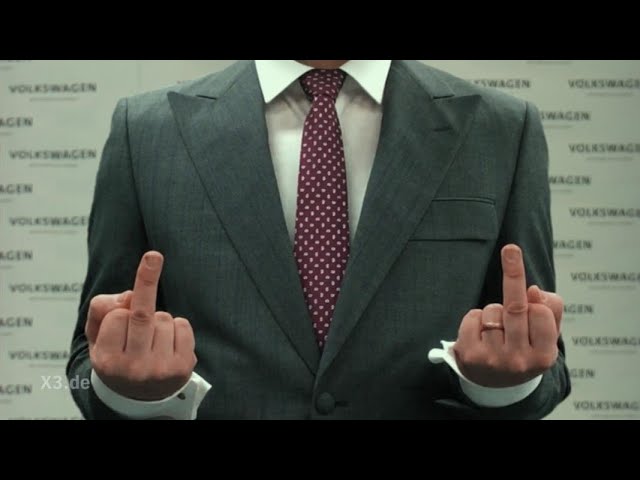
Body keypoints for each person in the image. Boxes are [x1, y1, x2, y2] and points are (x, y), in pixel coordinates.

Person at [66, 60, 571, 419]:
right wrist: (131, 392)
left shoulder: (501, 130)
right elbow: (88, 363)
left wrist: (501, 386)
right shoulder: (146, 131)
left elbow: (546, 364)